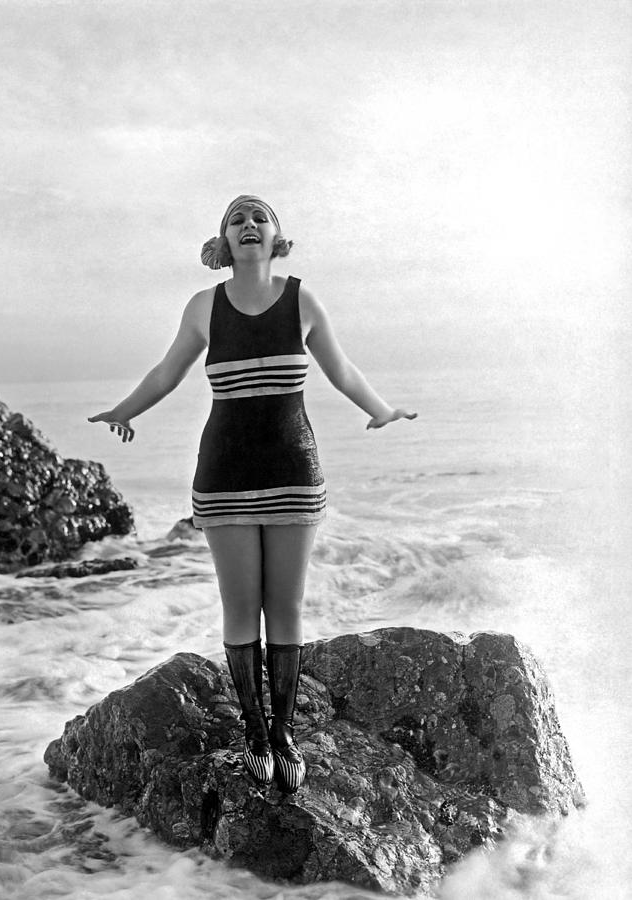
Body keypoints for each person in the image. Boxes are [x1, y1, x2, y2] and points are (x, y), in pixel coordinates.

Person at [89, 195, 417, 793]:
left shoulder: (303, 299)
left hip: (294, 470)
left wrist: (381, 409)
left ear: (276, 238)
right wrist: (124, 410)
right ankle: (255, 733)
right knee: (241, 606)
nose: (247, 225)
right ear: (224, 240)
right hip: (225, 475)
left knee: (285, 606)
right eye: (235, 219)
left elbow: (342, 370)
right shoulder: (203, 307)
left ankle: (285, 733)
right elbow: (167, 373)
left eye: (258, 217)